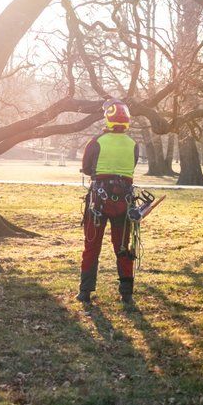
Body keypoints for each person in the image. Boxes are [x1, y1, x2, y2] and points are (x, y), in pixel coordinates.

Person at [77, 99, 139, 305]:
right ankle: (126, 293)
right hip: (125, 203)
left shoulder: (96, 142)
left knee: (92, 245)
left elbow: (86, 168)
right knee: (122, 246)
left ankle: (85, 292)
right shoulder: (133, 144)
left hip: (98, 202)